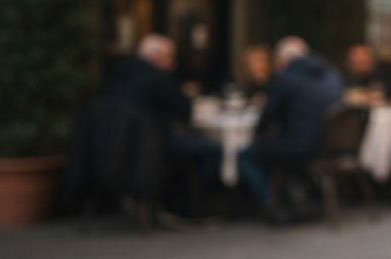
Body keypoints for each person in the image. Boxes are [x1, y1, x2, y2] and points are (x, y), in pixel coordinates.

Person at [103, 34, 222, 216]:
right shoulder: (158, 76)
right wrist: (183, 92)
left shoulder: (117, 74)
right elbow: (184, 111)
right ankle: (187, 206)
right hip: (154, 144)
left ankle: (165, 201)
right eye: (170, 56)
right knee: (214, 149)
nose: (173, 61)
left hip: (117, 145)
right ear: (158, 57)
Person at [236, 36, 343, 221]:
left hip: (301, 148)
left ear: (282, 60)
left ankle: (270, 204)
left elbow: (267, 119)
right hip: (330, 148)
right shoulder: (332, 74)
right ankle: (298, 198)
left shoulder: (286, 78)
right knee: (278, 146)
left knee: (246, 155)